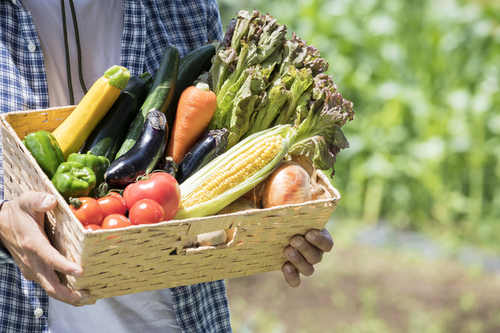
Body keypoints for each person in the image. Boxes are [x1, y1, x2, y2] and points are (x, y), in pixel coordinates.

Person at [0, 0, 334, 332]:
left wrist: (289, 217)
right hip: (25, 311)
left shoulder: (187, 7)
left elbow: (235, 160)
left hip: (170, 318)